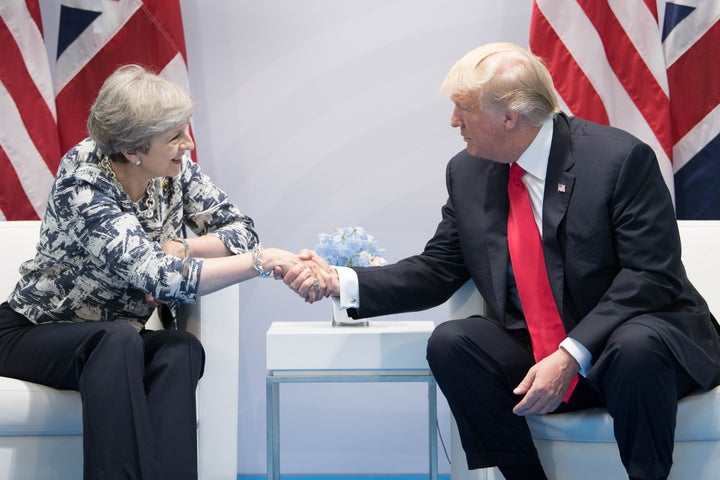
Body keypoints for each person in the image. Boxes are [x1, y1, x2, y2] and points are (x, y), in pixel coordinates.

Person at [283, 43, 720, 480]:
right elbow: (438, 268)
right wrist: (339, 281)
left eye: (464, 108)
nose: (453, 121)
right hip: (539, 348)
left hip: (642, 346)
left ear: (510, 117)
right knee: (454, 342)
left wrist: (571, 352)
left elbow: (649, 276)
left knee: (635, 347)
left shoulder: (619, 160)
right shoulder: (469, 172)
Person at [0, 64, 324, 480]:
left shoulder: (172, 171)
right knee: (117, 339)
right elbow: (160, 277)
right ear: (134, 146)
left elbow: (241, 230)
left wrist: (183, 246)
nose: (187, 144)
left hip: (109, 341)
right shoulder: (83, 181)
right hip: (30, 332)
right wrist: (266, 262)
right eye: (174, 136)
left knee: (180, 348)